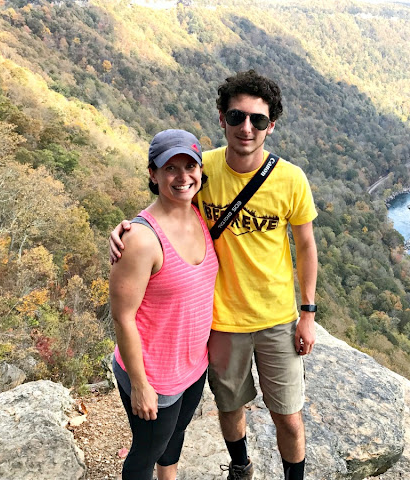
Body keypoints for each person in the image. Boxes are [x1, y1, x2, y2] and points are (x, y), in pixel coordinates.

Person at [110, 70, 318, 480]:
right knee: (230, 406)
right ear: (222, 117)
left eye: (257, 120)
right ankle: (241, 468)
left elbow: (307, 245)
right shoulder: (203, 169)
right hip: (221, 323)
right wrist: (123, 230)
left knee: (290, 417)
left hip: (277, 318)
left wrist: (308, 312)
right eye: (237, 116)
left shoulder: (291, 179)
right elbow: (168, 203)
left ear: (270, 126)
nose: (246, 127)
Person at [109, 129, 219, 480]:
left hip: (192, 364)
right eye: (170, 168)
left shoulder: (200, 213)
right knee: (145, 454)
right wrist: (141, 385)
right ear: (153, 175)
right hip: (154, 373)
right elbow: (122, 317)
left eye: (190, 165)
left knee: (176, 435)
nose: (183, 176)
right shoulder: (141, 239)